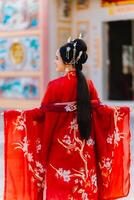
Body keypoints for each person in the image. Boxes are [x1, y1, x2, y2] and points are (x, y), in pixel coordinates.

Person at [4, 38, 130, 200]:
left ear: (67, 61)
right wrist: (123, 111)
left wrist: (12, 115)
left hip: (60, 154)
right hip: (85, 153)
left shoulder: (54, 86)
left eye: (57, 58)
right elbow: (102, 112)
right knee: (85, 191)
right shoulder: (88, 84)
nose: (55, 61)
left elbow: (40, 115)